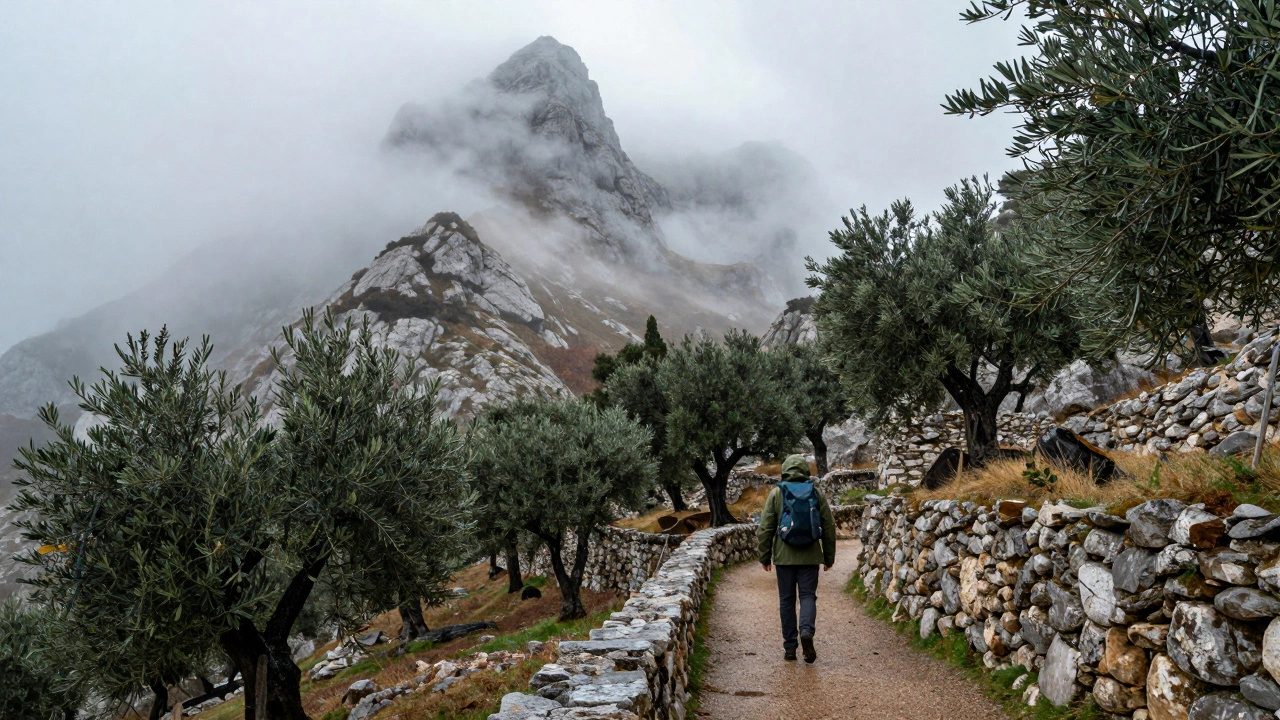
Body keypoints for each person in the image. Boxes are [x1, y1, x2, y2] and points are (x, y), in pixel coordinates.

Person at [757, 454, 836, 663]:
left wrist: (764, 556)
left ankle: (790, 647)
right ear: (805, 471)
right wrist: (829, 558)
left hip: (784, 557)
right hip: (810, 556)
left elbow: (765, 527)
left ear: (785, 471)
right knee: (808, 596)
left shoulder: (776, 494)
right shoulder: (815, 493)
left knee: (787, 600)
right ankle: (807, 631)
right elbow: (828, 526)